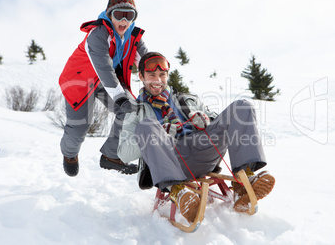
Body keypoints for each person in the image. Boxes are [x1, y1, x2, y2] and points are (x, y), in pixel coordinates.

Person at [117, 52, 275, 223]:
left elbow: (219, 121)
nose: (158, 80)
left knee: (242, 107)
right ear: (141, 76)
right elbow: (124, 153)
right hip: (171, 160)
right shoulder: (135, 111)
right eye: (151, 75)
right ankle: (179, 192)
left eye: (162, 74)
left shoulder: (187, 99)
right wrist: (159, 133)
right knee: (147, 125)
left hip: (204, 149)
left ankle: (244, 181)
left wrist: (207, 120)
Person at [59, 0, 148, 177]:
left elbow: (146, 63)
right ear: (109, 15)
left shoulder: (134, 35)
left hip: (107, 82)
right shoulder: (97, 34)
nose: (124, 20)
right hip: (80, 82)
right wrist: (120, 97)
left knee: (131, 110)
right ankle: (69, 154)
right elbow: (104, 68)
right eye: (119, 15)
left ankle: (110, 156)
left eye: (129, 15)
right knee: (80, 126)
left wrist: (159, 83)